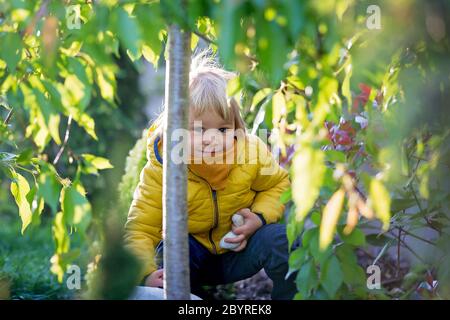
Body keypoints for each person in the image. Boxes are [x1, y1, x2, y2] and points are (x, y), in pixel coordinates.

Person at [124, 50, 297, 300]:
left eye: (224, 129)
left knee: (281, 240)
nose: (211, 140)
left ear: (237, 128)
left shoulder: (250, 152)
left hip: (238, 249)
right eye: (198, 129)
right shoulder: (164, 167)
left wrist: (258, 218)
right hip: (186, 261)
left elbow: (279, 184)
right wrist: (147, 274)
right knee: (170, 250)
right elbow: (140, 229)